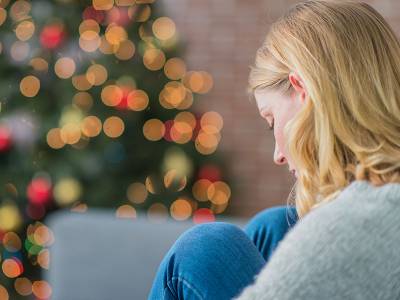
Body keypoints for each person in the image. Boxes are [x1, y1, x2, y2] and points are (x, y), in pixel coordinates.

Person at [148, 0, 400, 299]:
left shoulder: (355, 222)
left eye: (272, 121)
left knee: (204, 247)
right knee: (277, 225)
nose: (278, 154)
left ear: (304, 93)